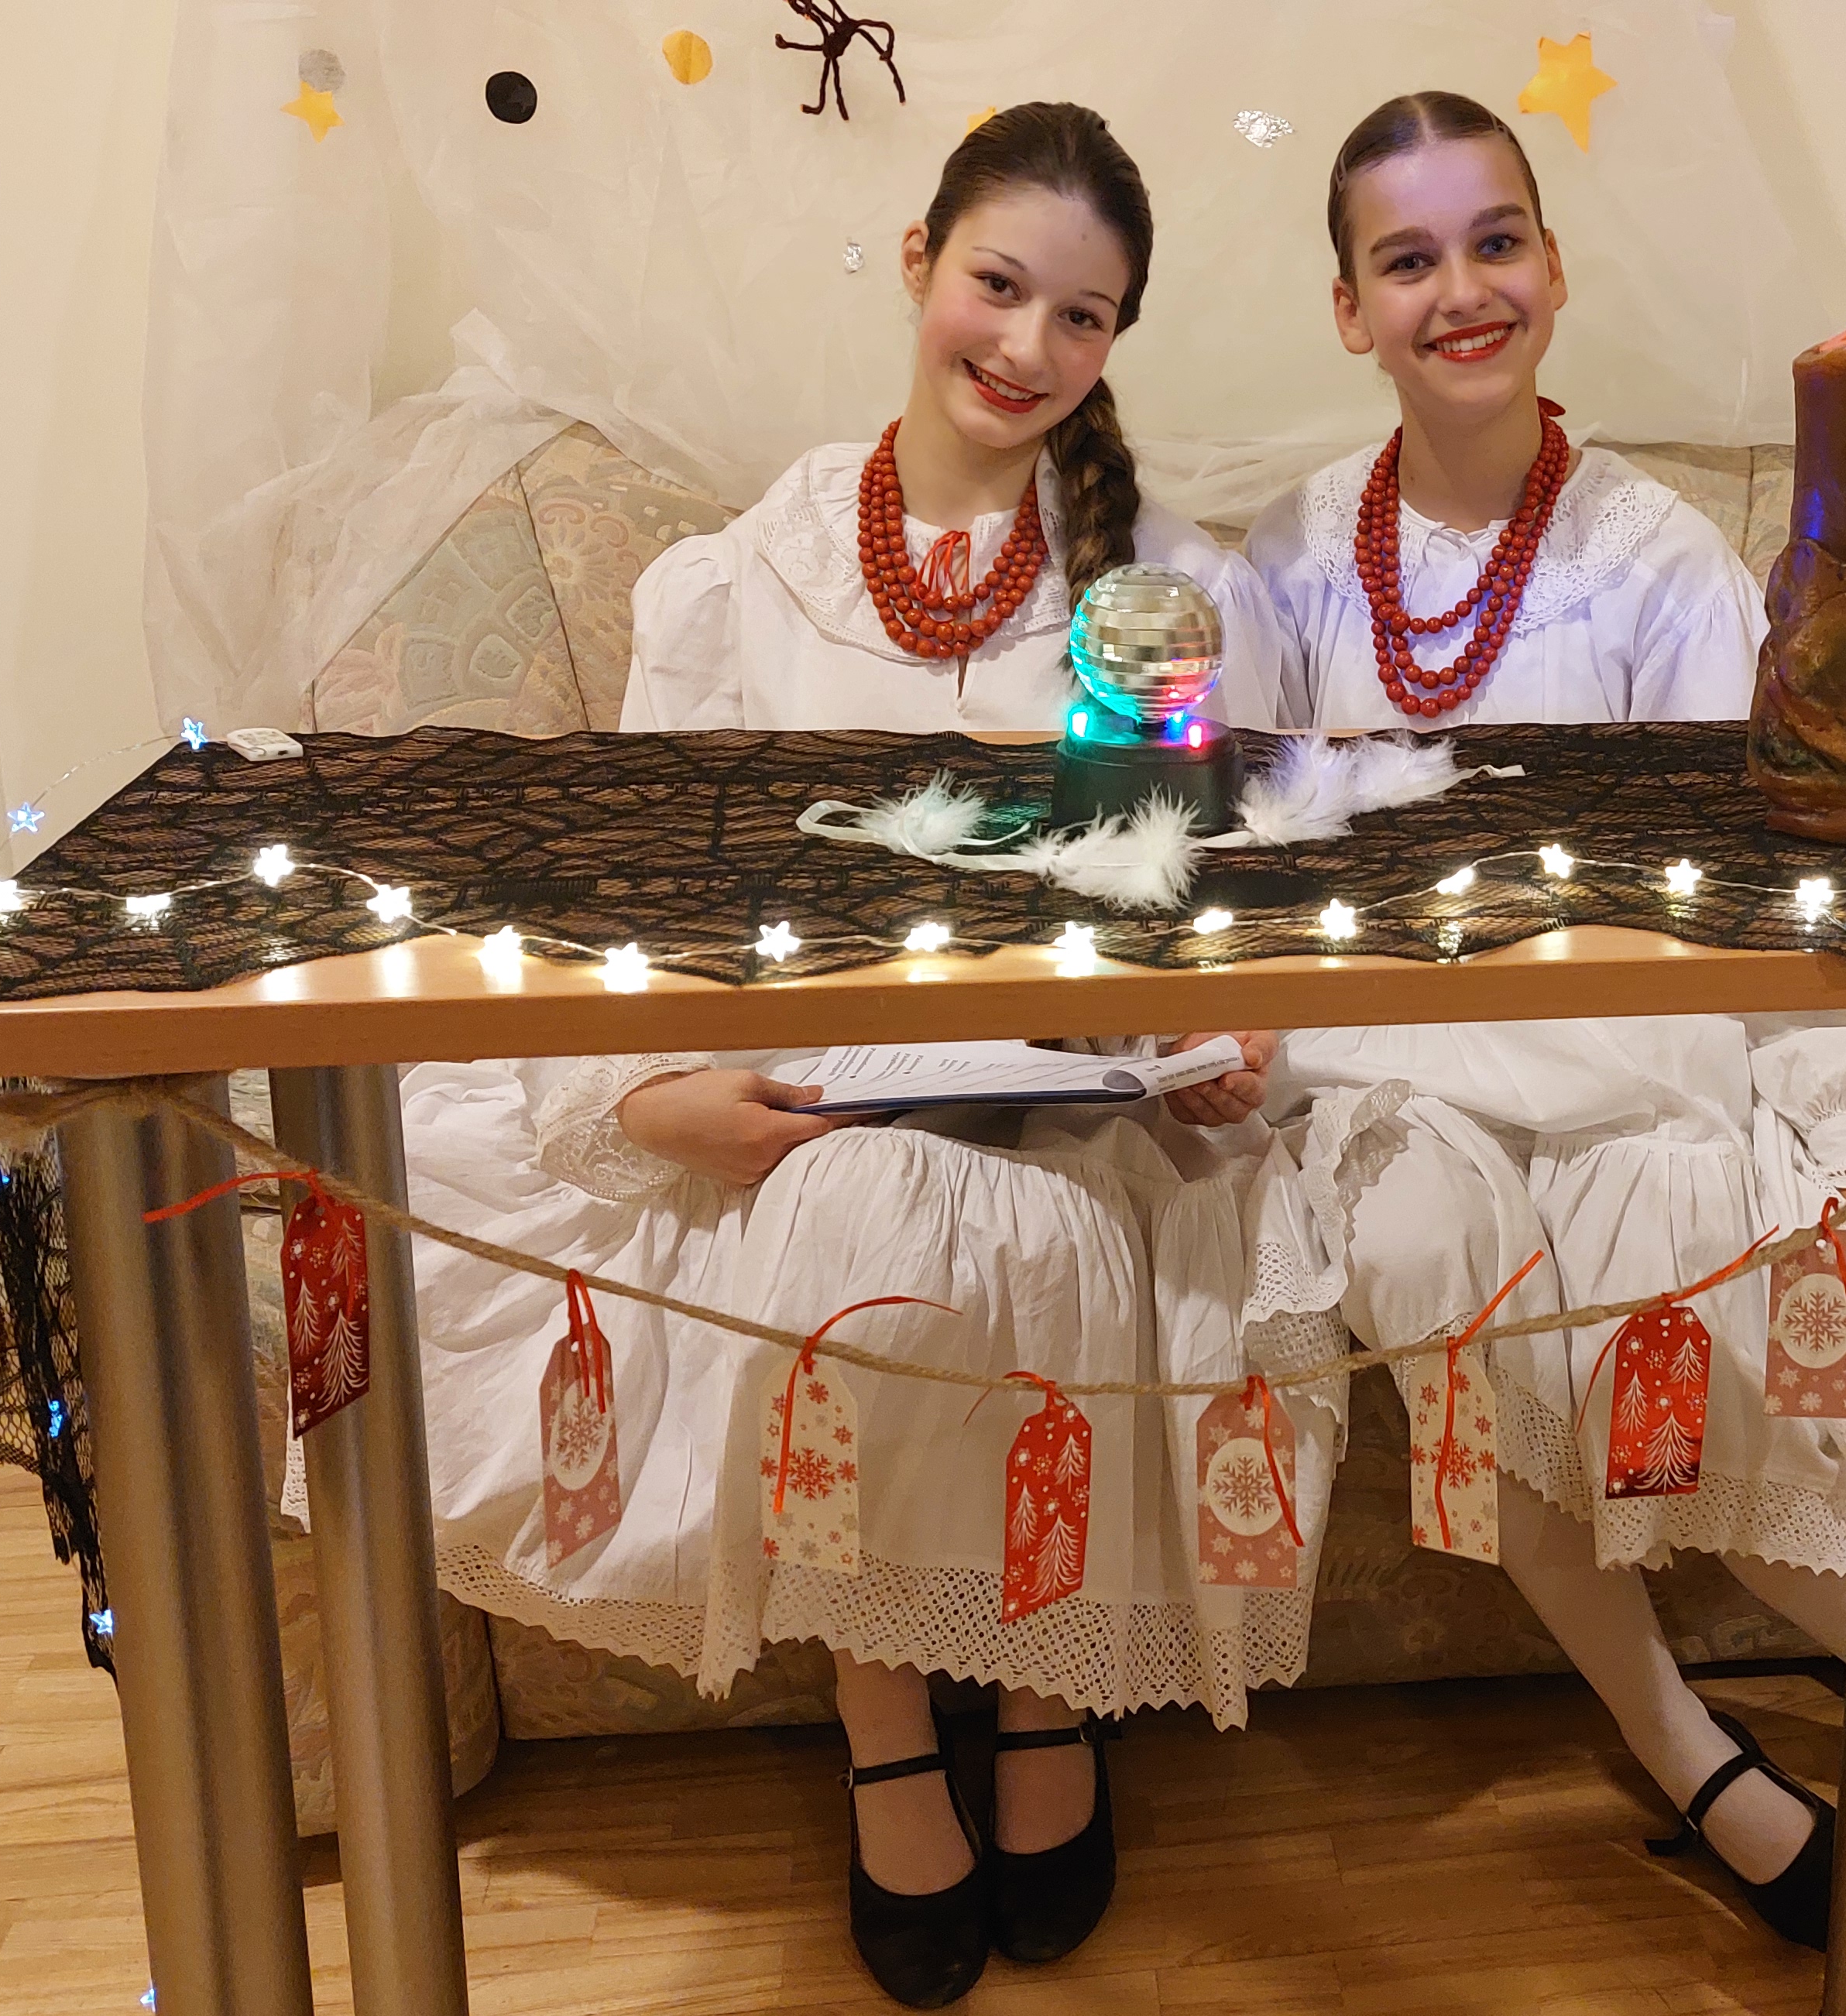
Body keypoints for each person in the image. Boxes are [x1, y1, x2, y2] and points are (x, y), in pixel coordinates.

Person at [398, 104, 1287, 2010]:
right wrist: (655, 1094)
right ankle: (885, 1730)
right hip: (823, 1090)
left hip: (1072, 1091)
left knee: (1056, 1217)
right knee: (857, 1209)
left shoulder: (1157, 588)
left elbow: (1195, 902)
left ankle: (1048, 1703)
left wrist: (1216, 1041)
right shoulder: (744, 577)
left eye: (1082, 315)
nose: (1028, 346)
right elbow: (650, 896)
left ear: (1116, 340)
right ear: (916, 263)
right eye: (998, 285)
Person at [1242, 91, 1846, 1949]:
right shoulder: (1294, 554)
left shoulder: (1654, 558)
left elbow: (1748, 873)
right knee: (1422, 1247)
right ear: (1348, 308)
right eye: (1407, 259)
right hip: (1387, 1054)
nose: (1460, 290)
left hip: (1627, 1041)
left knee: (1682, 1301)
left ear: (1553, 269)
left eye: (1494, 242)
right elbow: (1244, 838)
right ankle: (1679, 1743)